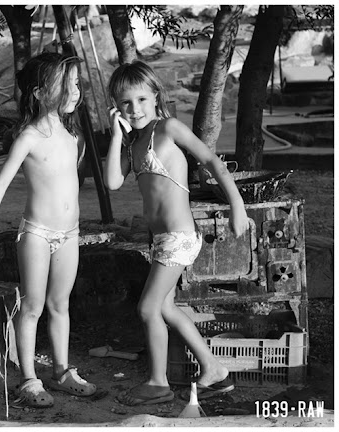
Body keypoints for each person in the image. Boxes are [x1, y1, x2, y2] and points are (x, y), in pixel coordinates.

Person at [104, 61, 250, 405]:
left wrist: (237, 205)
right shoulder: (134, 141)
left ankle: (158, 383)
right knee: (166, 308)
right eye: (125, 103)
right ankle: (214, 369)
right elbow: (112, 181)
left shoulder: (168, 128)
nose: (134, 109)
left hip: (179, 237)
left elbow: (212, 161)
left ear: (156, 96)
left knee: (147, 309)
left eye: (141, 99)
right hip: (160, 240)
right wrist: (115, 135)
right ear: (116, 106)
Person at [0, 52, 96, 408]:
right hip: (37, 234)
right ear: (40, 93)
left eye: (76, 83)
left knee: (60, 305)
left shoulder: (73, 134)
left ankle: (62, 370)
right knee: (33, 306)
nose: (75, 91)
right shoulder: (29, 135)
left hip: (70, 234)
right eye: (65, 84)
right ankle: (28, 378)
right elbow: (0, 183)